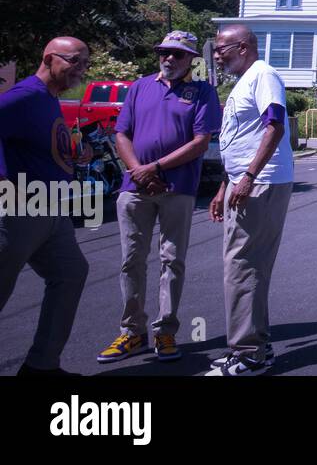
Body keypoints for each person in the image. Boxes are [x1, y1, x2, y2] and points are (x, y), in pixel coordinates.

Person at [96, 31, 220, 364]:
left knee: (172, 261)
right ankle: (131, 332)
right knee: (131, 260)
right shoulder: (139, 87)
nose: (169, 59)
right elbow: (122, 133)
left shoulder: (203, 92)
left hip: (176, 189)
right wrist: (138, 170)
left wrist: (156, 168)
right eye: (164, 52)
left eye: (178, 55)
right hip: (134, 189)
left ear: (191, 59)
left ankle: (165, 331)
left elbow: (200, 141)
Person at [0, 37, 93, 376]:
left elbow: (42, 146)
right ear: (50, 58)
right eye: (74, 62)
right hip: (19, 208)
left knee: (70, 273)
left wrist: (76, 152)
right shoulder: (24, 96)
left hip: (51, 210)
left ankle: (41, 367)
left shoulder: (50, 99)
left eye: (84, 65)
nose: (80, 70)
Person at [206, 25, 291, 376]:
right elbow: (242, 138)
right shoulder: (245, 80)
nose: (215, 55)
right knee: (250, 265)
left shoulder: (263, 75)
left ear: (242, 47)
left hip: (260, 185)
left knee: (241, 266)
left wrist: (249, 177)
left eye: (221, 48)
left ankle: (247, 355)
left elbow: (275, 125)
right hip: (247, 183)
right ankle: (257, 345)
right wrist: (225, 185)